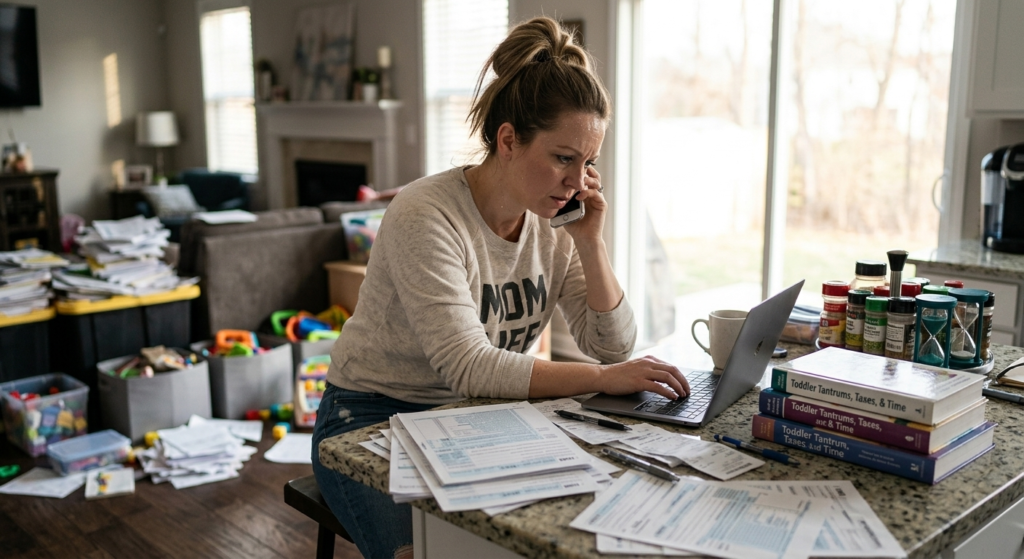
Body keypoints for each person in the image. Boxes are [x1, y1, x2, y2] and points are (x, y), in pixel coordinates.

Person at [312, 16, 689, 559]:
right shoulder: (426, 213)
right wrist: (604, 379)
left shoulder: (556, 218)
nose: (577, 181)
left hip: (476, 414)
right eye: (563, 158)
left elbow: (612, 346)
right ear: (509, 140)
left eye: (588, 162)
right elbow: (469, 365)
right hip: (371, 416)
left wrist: (590, 242)